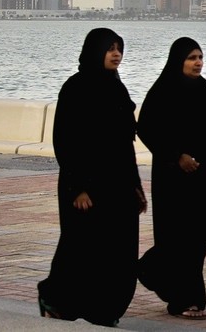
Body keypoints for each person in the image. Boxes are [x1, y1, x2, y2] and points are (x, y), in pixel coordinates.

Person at [37, 28, 147, 327]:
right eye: (109, 48)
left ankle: (106, 310)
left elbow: (126, 144)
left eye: (119, 48)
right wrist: (78, 188)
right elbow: (66, 141)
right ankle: (55, 297)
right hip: (85, 186)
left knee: (120, 252)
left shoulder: (117, 87)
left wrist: (136, 186)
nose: (116, 54)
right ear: (94, 51)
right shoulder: (76, 87)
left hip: (118, 185)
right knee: (81, 249)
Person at [136, 37, 206, 320]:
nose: (198, 63)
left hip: (205, 176)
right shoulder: (162, 91)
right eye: (192, 58)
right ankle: (186, 300)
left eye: (200, 57)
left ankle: (149, 269)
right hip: (174, 180)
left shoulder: (204, 88)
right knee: (179, 237)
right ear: (178, 60)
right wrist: (176, 156)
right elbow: (146, 128)